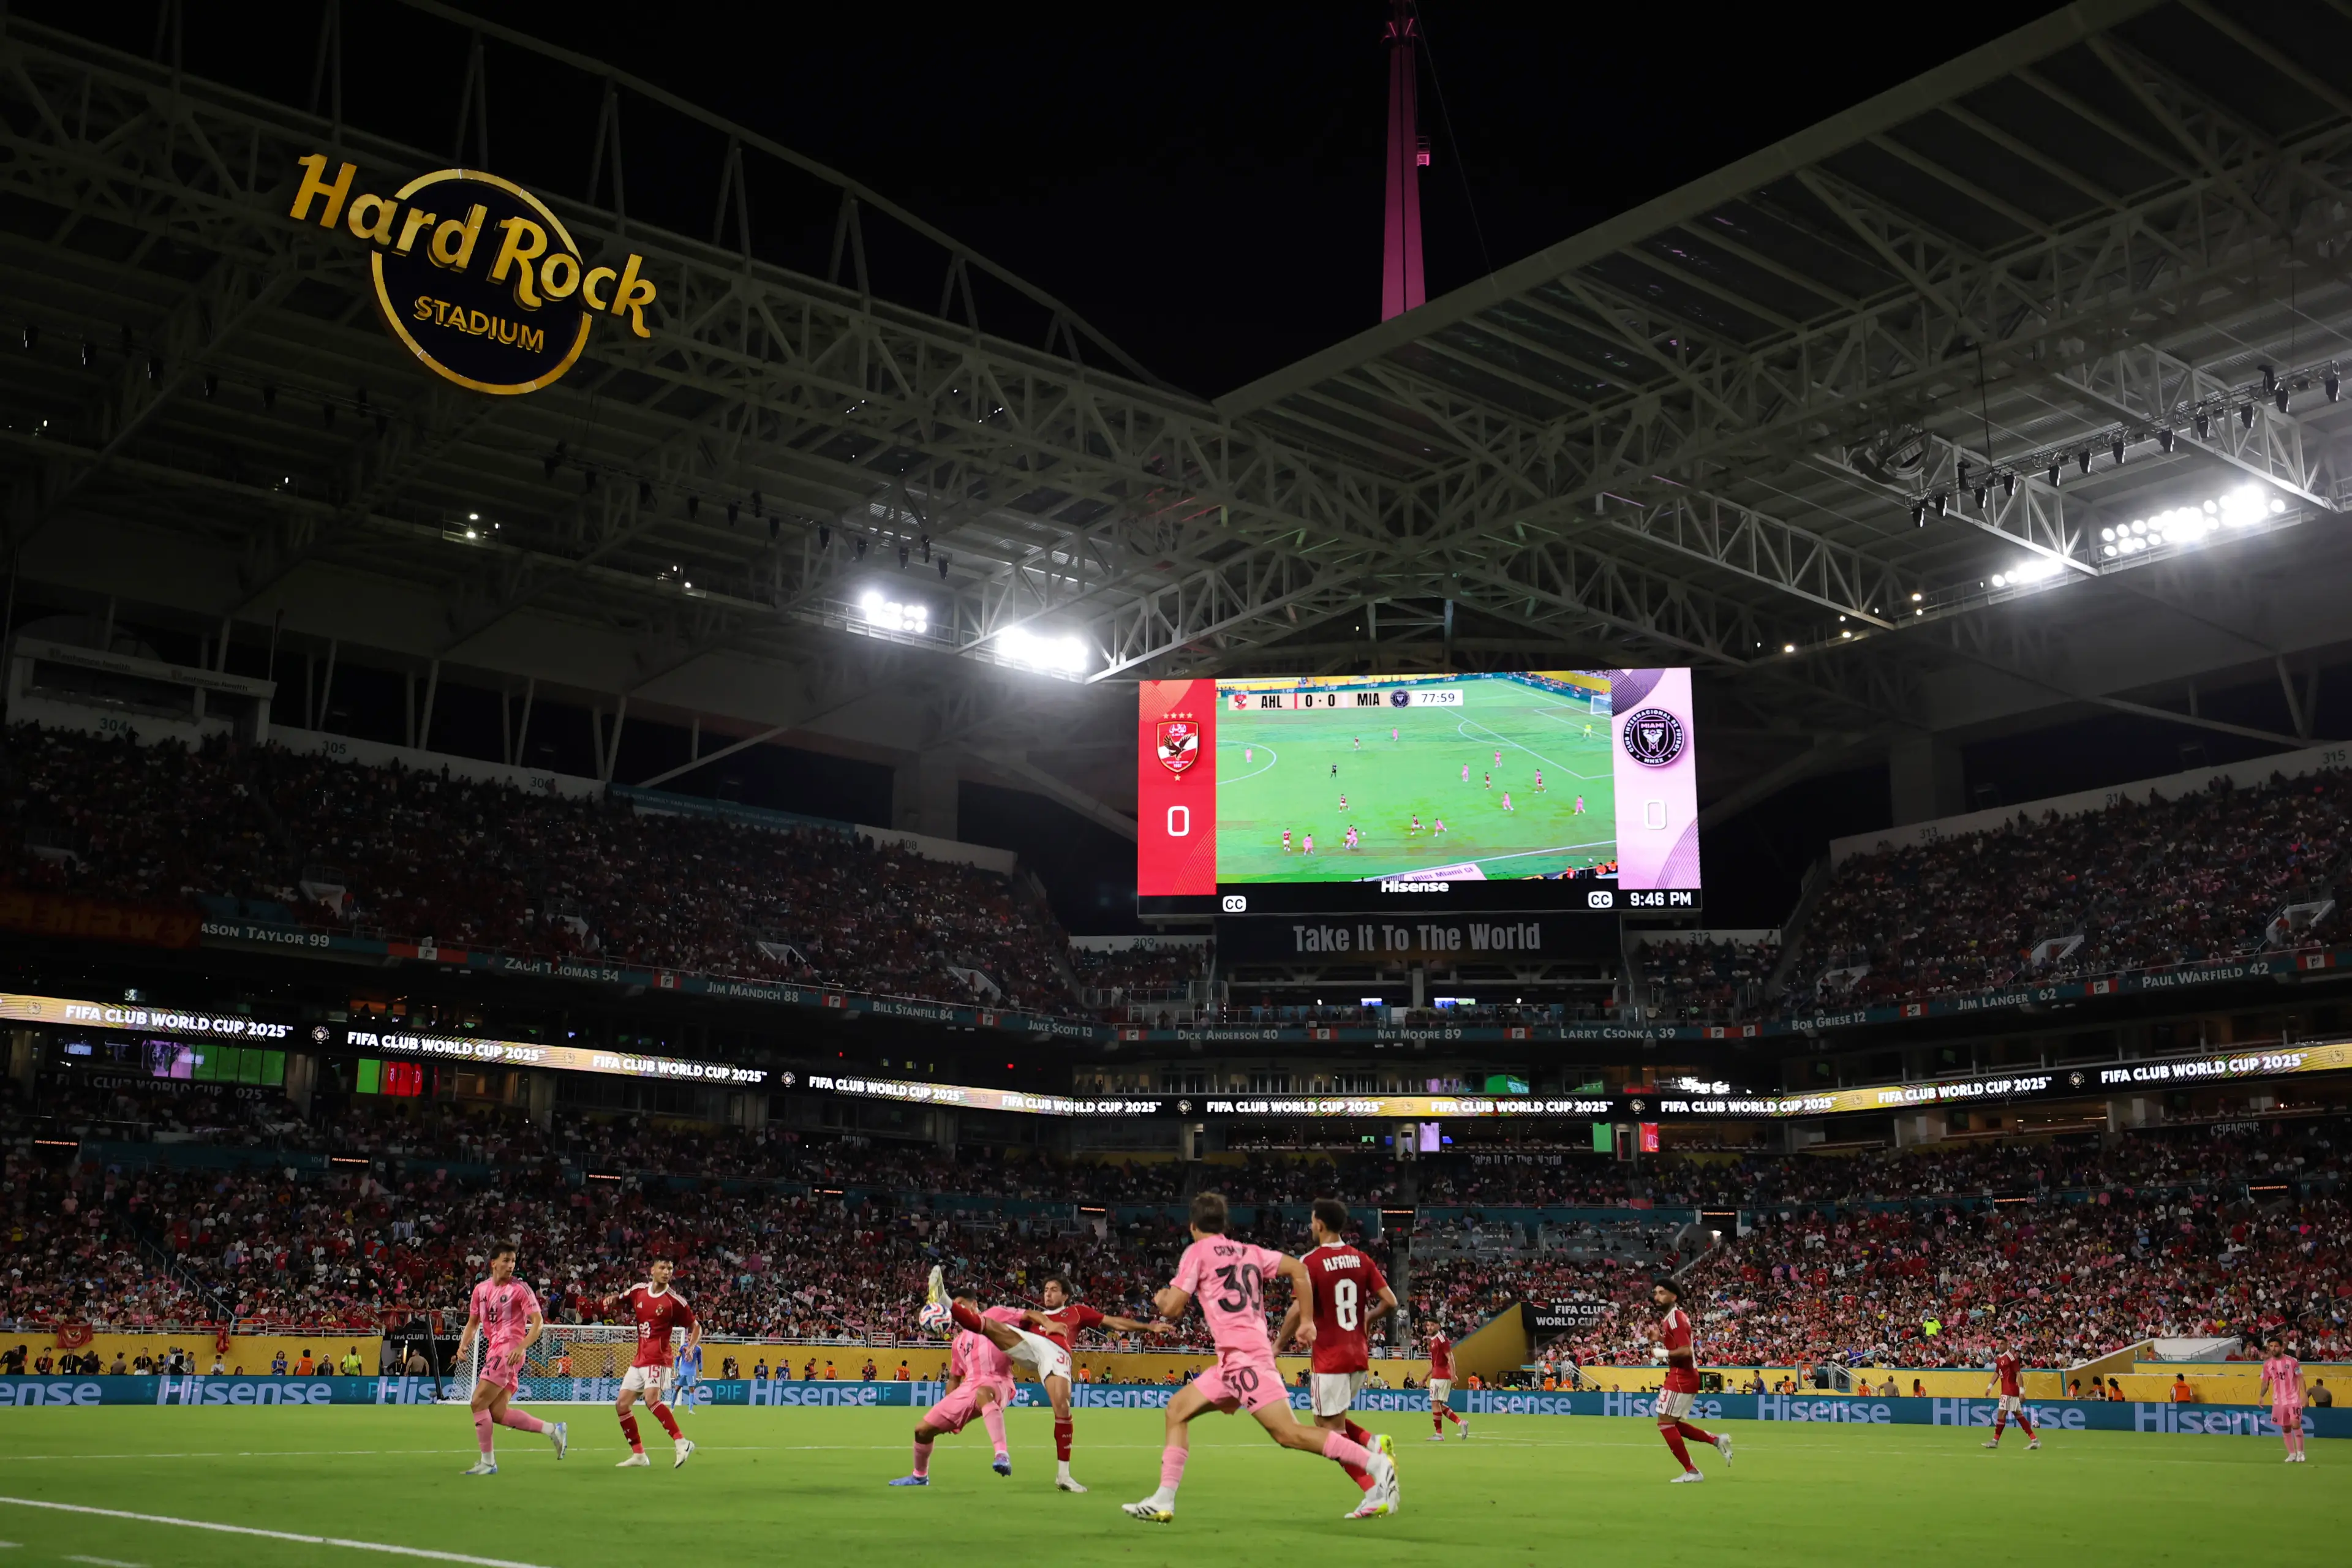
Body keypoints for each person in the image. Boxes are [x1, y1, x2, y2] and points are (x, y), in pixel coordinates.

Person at [1118, 1191, 1396, 1524]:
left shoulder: (1197, 1252)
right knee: (1177, 1410)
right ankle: (1164, 1500)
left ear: (1193, 1226)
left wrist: (1161, 1296)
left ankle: (1376, 1464)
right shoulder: (1248, 1251)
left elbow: (1173, 1309)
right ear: (1223, 1224)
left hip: (1244, 1359)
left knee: (1289, 1434)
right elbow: (1297, 1269)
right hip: (1235, 1359)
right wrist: (1306, 1320)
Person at [936, 1270, 1170, 1492]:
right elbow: (1011, 1320)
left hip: (1055, 1351)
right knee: (990, 1326)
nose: (1048, 1293)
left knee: (1062, 1408)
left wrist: (1149, 1326)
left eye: (1054, 1289)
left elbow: (1115, 1323)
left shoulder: (1076, 1312)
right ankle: (948, 1303)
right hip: (1028, 1345)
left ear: (1065, 1295)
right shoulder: (1032, 1319)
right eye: (1046, 1289)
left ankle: (1063, 1476)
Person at [1290, 1198, 1400, 1520]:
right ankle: (1371, 1442)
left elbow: (1298, 1311)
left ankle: (1374, 1488)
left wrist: (1278, 1343)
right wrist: (1367, 1319)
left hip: (1331, 1357)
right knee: (1328, 1423)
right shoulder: (1360, 1259)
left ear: (1320, 1224)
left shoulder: (1310, 1262)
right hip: (1357, 1355)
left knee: (1329, 1435)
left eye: (1312, 1222)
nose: (1311, 1227)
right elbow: (1390, 1301)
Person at [453, 1241, 566, 1476]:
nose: (511, 1265)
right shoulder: (480, 1290)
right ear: (493, 1263)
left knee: (477, 1402)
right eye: (506, 1260)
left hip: (509, 1351)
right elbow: (473, 1323)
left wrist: (522, 1346)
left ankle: (488, 1462)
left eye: (513, 1261)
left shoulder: (520, 1289)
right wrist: (463, 1346)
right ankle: (553, 1430)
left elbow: (538, 1323)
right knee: (498, 1413)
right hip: (496, 1350)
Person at [891, 1291, 1016, 1486]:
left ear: (974, 1304)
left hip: (999, 1381)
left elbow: (1024, 1318)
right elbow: (954, 1378)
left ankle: (1002, 1454)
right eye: (952, 1306)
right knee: (922, 1430)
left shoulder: (995, 1316)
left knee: (984, 1393)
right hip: (969, 1387)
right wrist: (950, 1408)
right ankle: (919, 1476)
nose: (956, 1309)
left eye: (960, 1304)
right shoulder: (958, 1342)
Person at [601, 1256, 698, 1469]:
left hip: (659, 1359)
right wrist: (611, 1300)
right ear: (652, 1270)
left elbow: (696, 1326)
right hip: (640, 1359)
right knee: (622, 1404)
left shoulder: (675, 1302)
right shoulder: (638, 1291)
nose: (667, 1272)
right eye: (662, 1267)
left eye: (670, 1268)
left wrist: (690, 1346)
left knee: (651, 1399)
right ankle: (639, 1455)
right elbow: (621, 1297)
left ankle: (682, 1442)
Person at [1651, 1278, 1728, 1481]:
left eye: (1661, 1292)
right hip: (1682, 1375)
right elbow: (1680, 1343)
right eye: (1655, 1293)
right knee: (1671, 1423)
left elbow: (1686, 1350)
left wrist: (1662, 1352)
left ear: (1673, 1296)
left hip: (1682, 1376)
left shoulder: (1675, 1318)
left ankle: (1693, 1471)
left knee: (1665, 1424)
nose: (1656, 1296)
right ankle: (1715, 1440)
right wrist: (1659, 1339)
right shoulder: (1671, 1318)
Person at [2259, 1335, 2307, 1463]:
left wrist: (2305, 1395)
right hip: (2279, 1401)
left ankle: (2301, 1453)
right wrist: (2261, 1396)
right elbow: (2265, 1383)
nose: (2273, 1349)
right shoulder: (2267, 1365)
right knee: (2285, 1428)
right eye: (2271, 1346)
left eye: (2276, 1346)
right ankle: (2292, 1454)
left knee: (2295, 1424)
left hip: (2293, 1399)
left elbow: (2301, 1378)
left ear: (2282, 1347)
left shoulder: (2292, 1362)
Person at [1981, 1344, 2038, 1450]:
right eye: (1998, 1343)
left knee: (2001, 1414)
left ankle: (1995, 1441)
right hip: (2007, 1390)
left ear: (2007, 1345)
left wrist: (2022, 1391)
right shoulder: (1999, 1359)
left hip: (2010, 1390)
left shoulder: (2010, 1357)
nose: (1999, 1345)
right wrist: (1990, 1387)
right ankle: (2034, 1440)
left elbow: (2019, 1374)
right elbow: (1997, 1373)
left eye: (2002, 1343)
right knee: (2018, 1415)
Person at [1427, 1325, 1468, 1441]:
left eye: (1431, 1325)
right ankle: (1461, 1423)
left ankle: (1439, 1434)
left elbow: (1450, 1357)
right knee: (1438, 1404)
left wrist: (1453, 1375)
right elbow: (1435, 1364)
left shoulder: (1441, 1340)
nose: (1428, 1327)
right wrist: (1425, 1376)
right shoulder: (1435, 1342)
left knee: (1435, 1403)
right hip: (1439, 1376)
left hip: (1441, 1377)